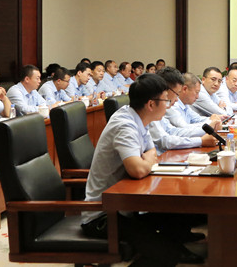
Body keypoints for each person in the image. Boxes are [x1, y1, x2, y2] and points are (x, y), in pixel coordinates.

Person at [81, 74, 205, 265]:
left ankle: (174, 247)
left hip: (123, 206)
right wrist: (146, 162)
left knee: (175, 215)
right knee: (165, 255)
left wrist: (145, 161)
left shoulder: (139, 117)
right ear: (151, 104)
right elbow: (137, 170)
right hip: (103, 215)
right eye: (166, 100)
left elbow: (152, 152)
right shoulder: (125, 125)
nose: (169, 105)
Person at [149, 68, 218, 152]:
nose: (177, 99)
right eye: (176, 93)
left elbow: (173, 131)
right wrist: (201, 140)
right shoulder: (153, 109)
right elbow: (164, 141)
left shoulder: (163, 107)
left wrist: (209, 125)